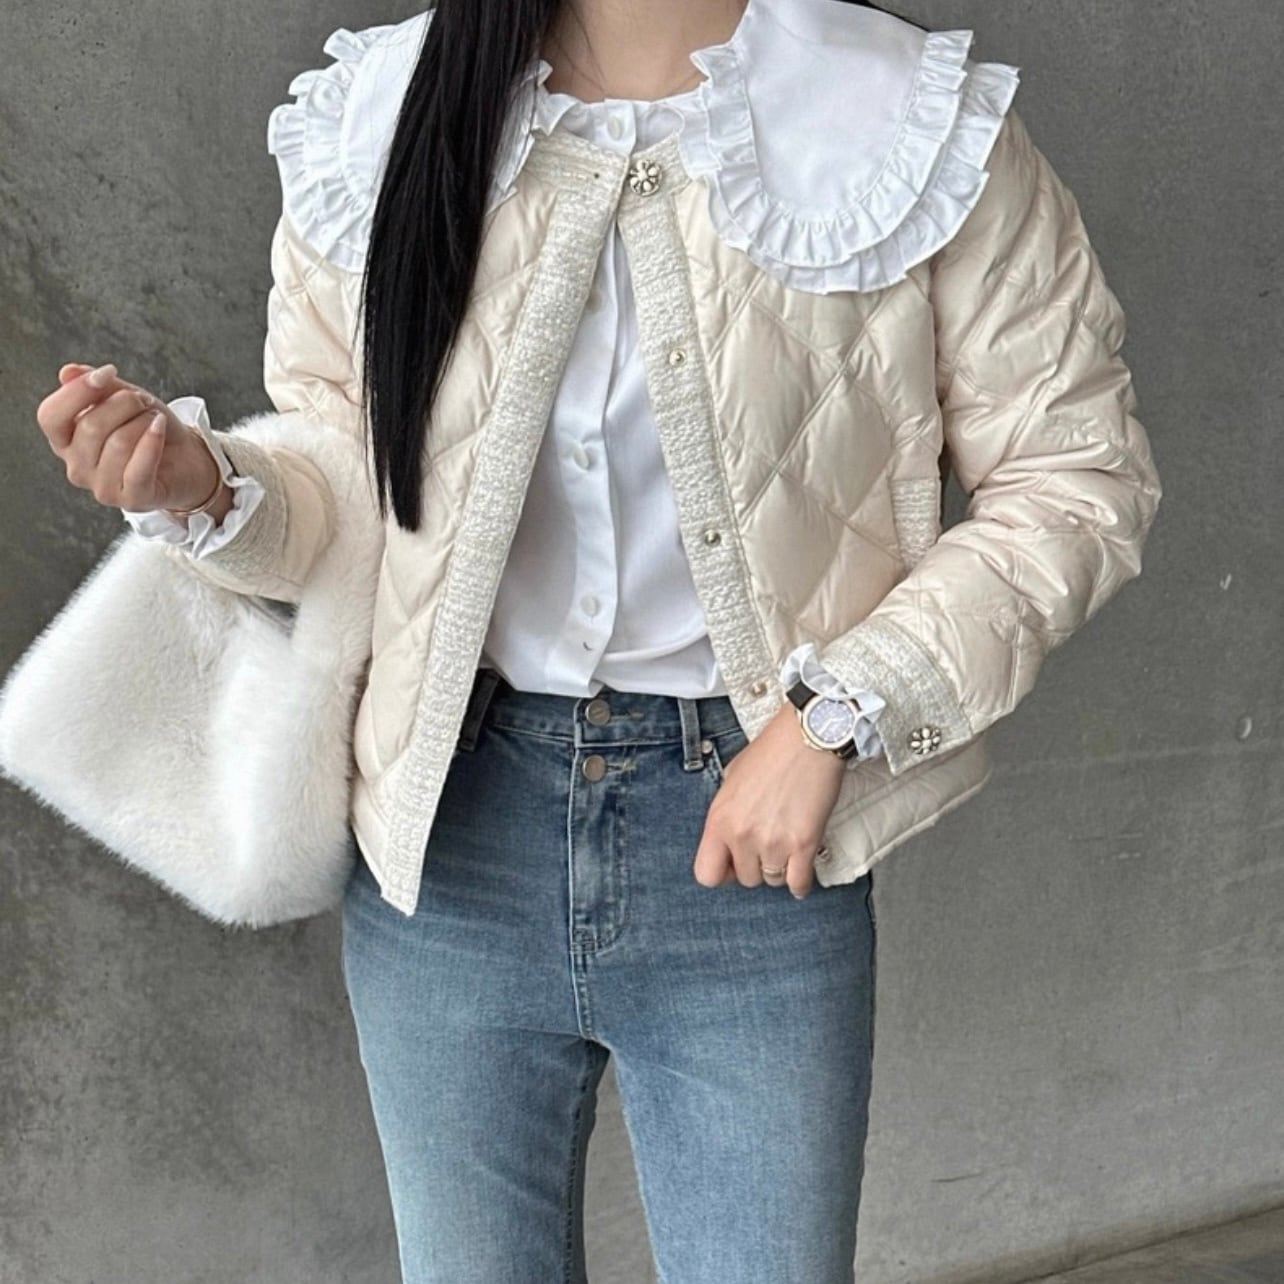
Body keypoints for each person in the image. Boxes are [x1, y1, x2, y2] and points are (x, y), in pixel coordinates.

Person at [32, 0, 1162, 1279]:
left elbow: (1078, 478)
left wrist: (834, 713)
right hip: (445, 842)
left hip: (751, 850)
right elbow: (355, 493)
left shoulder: (909, 119)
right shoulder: (382, 112)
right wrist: (206, 487)